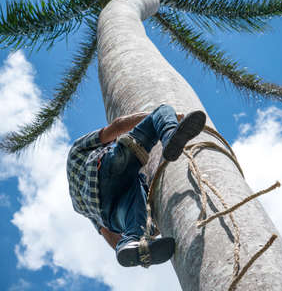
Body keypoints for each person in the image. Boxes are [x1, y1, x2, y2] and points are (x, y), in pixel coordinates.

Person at [67, 104, 206, 268]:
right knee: (161, 112)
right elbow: (117, 125)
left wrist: (141, 242)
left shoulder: (78, 204)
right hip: (105, 172)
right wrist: (155, 117)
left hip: (109, 212)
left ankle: (135, 242)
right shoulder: (76, 149)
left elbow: (108, 234)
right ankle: (169, 133)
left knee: (135, 196)